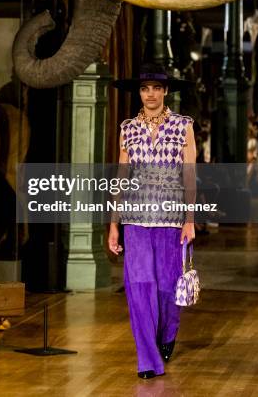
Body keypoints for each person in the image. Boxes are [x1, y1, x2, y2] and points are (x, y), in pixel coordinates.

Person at [109, 63, 196, 379]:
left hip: (172, 219)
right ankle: (148, 360)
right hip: (135, 220)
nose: (151, 94)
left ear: (166, 91)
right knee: (140, 287)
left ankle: (167, 334)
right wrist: (114, 223)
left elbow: (189, 173)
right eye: (145, 88)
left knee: (166, 288)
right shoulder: (127, 128)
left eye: (156, 88)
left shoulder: (183, 126)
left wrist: (190, 219)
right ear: (140, 92)